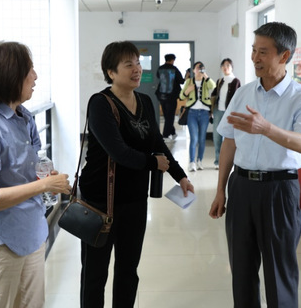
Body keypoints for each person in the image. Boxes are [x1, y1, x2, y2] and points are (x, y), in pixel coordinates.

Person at [209, 22, 301, 308]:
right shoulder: (243, 93)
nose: (255, 58)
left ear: (284, 56)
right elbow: (229, 142)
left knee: (279, 273)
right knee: (242, 272)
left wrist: (266, 128)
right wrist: (221, 190)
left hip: (279, 190)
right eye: (253, 50)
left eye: (263, 52)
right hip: (241, 187)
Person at [79, 41, 194, 308]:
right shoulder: (100, 103)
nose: (137, 69)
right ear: (111, 72)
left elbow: (157, 143)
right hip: (100, 201)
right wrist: (153, 163)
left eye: (138, 63)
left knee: (128, 270)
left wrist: (180, 176)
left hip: (134, 199)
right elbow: (119, 152)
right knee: (95, 273)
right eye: (128, 64)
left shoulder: (144, 101)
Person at [0, 41, 72, 308]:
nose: (35, 77)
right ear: (8, 75)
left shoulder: (24, 116)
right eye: (29, 70)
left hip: (32, 231)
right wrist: (43, 185)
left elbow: (28, 168)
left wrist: (45, 179)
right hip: (2, 243)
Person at [179, 61, 216, 171]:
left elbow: (213, 87)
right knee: (194, 138)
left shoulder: (206, 81)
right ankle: (192, 162)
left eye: (201, 68)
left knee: (202, 139)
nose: (199, 70)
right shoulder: (189, 81)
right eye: (197, 68)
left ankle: (199, 160)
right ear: (193, 70)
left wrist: (205, 75)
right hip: (192, 113)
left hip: (204, 113)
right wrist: (187, 91)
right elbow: (181, 96)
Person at [210, 58, 241, 169]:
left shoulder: (236, 81)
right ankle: (218, 161)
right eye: (223, 65)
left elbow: (238, 98)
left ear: (232, 67)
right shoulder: (220, 81)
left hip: (230, 113)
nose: (225, 67)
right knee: (217, 137)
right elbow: (214, 95)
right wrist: (211, 110)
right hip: (218, 111)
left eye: (228, 65)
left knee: (229, 138)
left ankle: (229, 162)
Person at [155, 53, 184, 139]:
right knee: (170, 117)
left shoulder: (160, 68)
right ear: (172, 60)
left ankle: (173, 132)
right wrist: (186, 77)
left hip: (161, 95)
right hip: (171, 96)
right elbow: (181, 81)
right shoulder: (174, 69)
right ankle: (165, 135)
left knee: (167, 116)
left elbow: (158, 77)